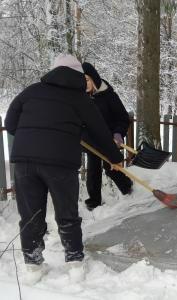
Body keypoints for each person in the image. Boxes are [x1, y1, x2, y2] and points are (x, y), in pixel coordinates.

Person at [5, 54, 123, 275]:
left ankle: (32, 265)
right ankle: (74, 263)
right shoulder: (79, 99)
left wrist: (32, 132)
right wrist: (115, 159)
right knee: (66, 212)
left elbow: (10, 123)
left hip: (24, 162)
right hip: (60, 164)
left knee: (30, 214)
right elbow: (100, 131)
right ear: (78, 74)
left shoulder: (30, 91)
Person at [82, 62, 133, 211]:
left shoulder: (108, 96)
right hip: (92, 141)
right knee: (93, 170)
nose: (84, 84)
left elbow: (123, 118)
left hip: (110, 140)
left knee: (111, 167)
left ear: (94, 79)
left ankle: (128, 189)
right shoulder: (81, 98)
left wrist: (118, 134)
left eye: (86, 79)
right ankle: (94, 202)